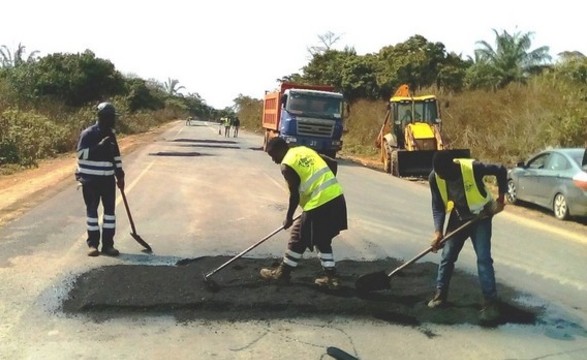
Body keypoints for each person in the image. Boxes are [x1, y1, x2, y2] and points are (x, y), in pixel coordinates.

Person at [427, 151, 507, 323]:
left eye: (445, 175)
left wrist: (500, 199)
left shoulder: (472, 168)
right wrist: (438, 231)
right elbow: (438, 206)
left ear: (452, 167)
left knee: (484, 259)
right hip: (458, 217)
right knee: (447, 256)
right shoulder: (435, 177)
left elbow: (501, 169)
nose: (443, 178)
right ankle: (440, 295)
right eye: (439, 174)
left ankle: (491, 302)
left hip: (481, 217)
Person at [260, 137, 348, 290]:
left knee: (297, 236)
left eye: (273, 155)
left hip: (318, 204)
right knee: (321, 239)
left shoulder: (286, 165)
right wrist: (324, 185)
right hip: (336, 197)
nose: (273, 160)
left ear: (281, 149)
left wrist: (288, 217)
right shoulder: (303, 150)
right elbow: (332, 163)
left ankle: (282, 275)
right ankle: (331, 278)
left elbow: (294, 195)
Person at [75, 102, 125, 257]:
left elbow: (116, 157)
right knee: (92, 212)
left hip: (107, 181)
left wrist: (120, 174)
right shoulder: (88, 134)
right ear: (102, 117)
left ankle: (108, 245)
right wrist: (99, 147)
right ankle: (93, 245)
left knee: (110, 214)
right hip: (90, 181)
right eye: (110, 117)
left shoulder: (111, 135)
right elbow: (80, 155)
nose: (113, 120)